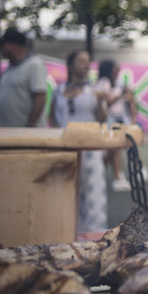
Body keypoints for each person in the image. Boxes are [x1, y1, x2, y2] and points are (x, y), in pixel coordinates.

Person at [49, 50, 108, 235]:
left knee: (92, 193)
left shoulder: (94, 90)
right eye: (81, 60)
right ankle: (67, 232)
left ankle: (93, 235)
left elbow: (102, 119)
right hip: (66, 148)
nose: (86, 64)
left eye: (88, 61)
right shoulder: (59, 90)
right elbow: (51, 117)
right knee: (66, 190)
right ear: (70, 64)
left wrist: (101, 103)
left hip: (90, 149)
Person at [0, 27, 47, 128]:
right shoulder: (9, 70)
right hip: (7, 132)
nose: (0, 49)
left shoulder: (34, 65)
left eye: (2, 45)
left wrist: (31, 124)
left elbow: (40, 97)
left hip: (28, 133)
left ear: (14, 45)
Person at [95, 59, 139, 192]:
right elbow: (106, 103)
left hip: (118, 119)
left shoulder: (116, 83)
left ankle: (116, 176)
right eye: (115, 70)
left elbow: (130, 103)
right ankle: (114, 176)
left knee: (116, 149)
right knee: (112, 149)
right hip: (108, 120)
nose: (117, 72)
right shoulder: (103, 83)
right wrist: (121, 93)